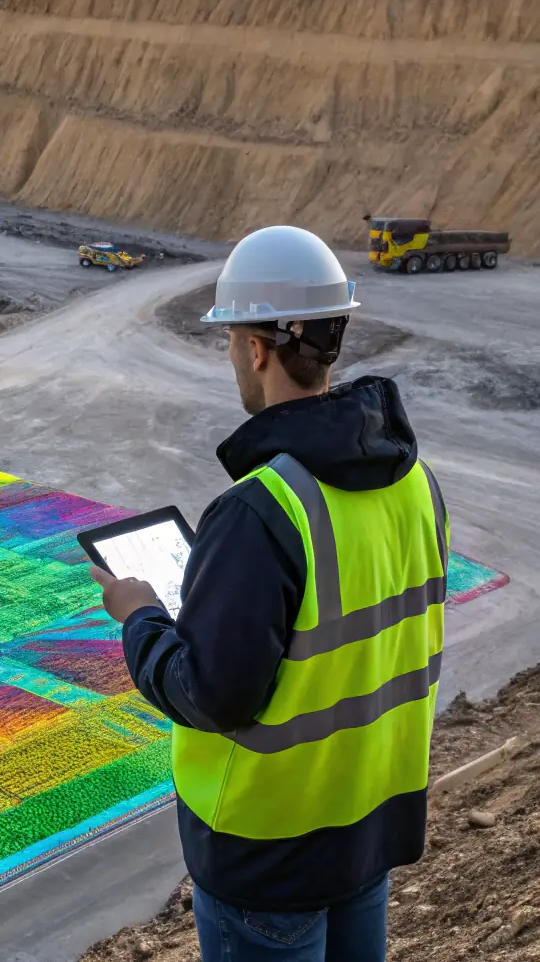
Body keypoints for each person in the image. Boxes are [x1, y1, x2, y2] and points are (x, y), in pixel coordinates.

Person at [90, 225, 449, 962]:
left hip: (270, 857)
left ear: (257, 349)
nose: (232, 357)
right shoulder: (416, 483)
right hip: (368, 829)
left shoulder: (260, 511)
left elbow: (213, 694)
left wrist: (141, 616)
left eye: (231, 341)